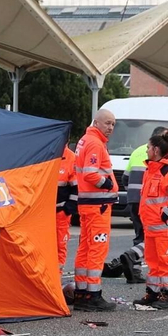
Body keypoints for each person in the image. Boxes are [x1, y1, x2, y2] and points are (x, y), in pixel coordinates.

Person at [71, 109, 120, 311]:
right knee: (97, 249)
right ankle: (93, 295)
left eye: (113, 124)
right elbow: (91, 174)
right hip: (97, 205)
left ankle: (82, 292)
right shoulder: (94, 143)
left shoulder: (86, 140)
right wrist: (107, 184)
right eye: (107, 123)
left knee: (85, 248)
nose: (110, 128)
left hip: (88, 204)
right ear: (97, 123)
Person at [137, 128, 168, 308]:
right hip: (151, 227)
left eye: (148, 147)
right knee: (153, 263)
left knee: (166, 263)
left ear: (156, 150)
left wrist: (161, 216)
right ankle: (153, 293)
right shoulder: (151, 170)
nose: (146, 150)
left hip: (163, 228)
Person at [124, 129, 163, 247]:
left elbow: (125, 178)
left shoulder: (137, 151)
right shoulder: (160, 154)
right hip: (149, 203)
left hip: (133, 199)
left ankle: (135, 261)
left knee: (139, 232)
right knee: (152, 235)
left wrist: (132, 192)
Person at [55, 137, 76, 271]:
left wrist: (68, 209)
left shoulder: (71, 158)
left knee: (59, 247)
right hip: (41, 213)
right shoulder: (46, 155)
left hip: (60, 212)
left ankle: (57, 280)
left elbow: (77, 188)